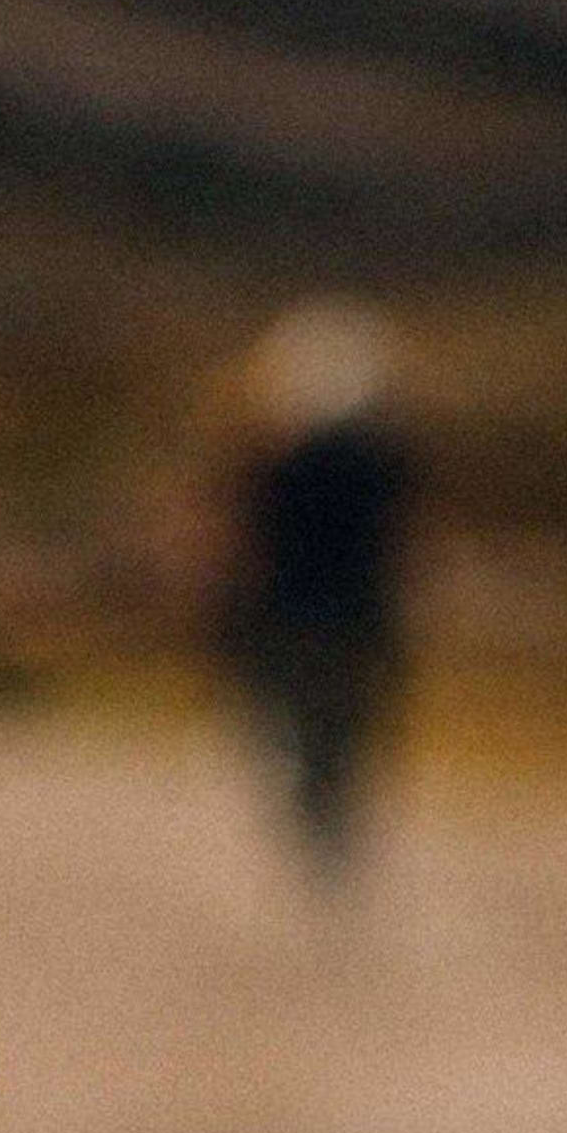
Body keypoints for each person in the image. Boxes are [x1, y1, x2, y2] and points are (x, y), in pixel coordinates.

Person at [218, 297, 420, 884]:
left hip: (296, 612)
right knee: (341, 721)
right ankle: (325, 810)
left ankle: (314, 809)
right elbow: (402, 545)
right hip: (349, 614)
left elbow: (245, 542)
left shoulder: (273, 458)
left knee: (301, 717)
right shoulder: (384, 462)